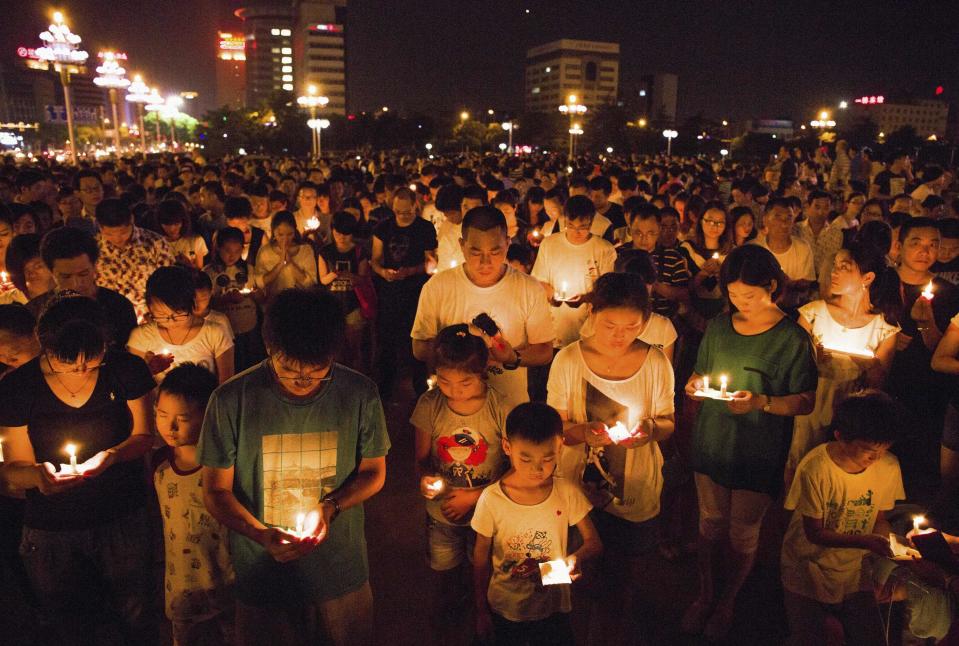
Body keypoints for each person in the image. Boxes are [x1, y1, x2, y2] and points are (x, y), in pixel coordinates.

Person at [198, 288, 390, 646]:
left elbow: (374, 472)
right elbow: (215, 491)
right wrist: (260, 534)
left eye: (317, 371)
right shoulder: (231, 400)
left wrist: (330, 506)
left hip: (339, 573)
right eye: (288, 369)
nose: (302, 380)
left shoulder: (359, 393)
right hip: (262, 579)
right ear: (269, 346)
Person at [0, 295, 159, 645]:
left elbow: (145, 436)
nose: (81, 371)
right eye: (66, 363)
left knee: (135, 613)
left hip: (121, 513)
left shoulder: (125, 369)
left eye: (92, 363)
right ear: (44, 346)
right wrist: (38, 476)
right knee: (70, 622)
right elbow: (13, 468)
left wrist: (113, 456)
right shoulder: (17, 388)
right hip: (52, 528)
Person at [683, 245, 817, 639]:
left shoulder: (792, 338)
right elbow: (700, 372)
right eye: (733, 295)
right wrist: (694, 385)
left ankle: (729, 601)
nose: (741, 303)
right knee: (709, 523)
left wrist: (763, 402)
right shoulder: (720, 327)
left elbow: (805, 400)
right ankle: (705, 593)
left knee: (742, 530)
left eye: (749, 295)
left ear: (772, 286)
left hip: (758, 448)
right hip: (712, 440)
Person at [547, 272, 675, 644]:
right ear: (592, 313)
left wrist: (650, 431)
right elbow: (555, 427)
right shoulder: (569, 360)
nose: (619, 335)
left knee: (621, 583)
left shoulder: (655, 363)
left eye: (632, 326)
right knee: (571, 579)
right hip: (575, 493)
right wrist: (585, 432)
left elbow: (667, 421)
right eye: (609, 325)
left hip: (634, 492)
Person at [471, 402, 602, 646]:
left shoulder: (566, 492)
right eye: (526, 458)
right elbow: (480, 557)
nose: (537, 468)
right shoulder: (492, 498)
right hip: (504, 606)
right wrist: (480, 610)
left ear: (560, 446)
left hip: (552, 607)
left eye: (548, 458)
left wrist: (576, 558)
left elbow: (594, 542)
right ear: (507, 447)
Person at [781, 390, 904, 646]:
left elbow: (878, 517)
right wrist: (867, 542)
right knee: (811, 637)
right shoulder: (816, 467)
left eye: (883, 450)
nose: (876, 458)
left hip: (854, 569)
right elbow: (814, 533)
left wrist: (887, 541)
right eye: (868, 450)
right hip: (807, 564)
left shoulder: (888, 466)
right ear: (840, 436)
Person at [411, 325, 510, 641]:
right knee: (443, 574)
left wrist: (473, 497)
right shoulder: (430, 405)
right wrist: (427, 479)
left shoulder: (500, 408)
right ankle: (444, 624)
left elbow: (513, 468)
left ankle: (479, 619)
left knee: (480, 571)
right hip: (442, 514)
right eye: (444, 381)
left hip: (486, 515)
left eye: (464, 382)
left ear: (482, 371)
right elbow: (421, 459)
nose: (454, 390)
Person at [412, 206, 554, 407]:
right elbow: (419, 346)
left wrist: (512, 357)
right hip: (453, 407)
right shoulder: (437, 287)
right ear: (462, 245)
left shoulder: (529, 288)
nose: (485, 262)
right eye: (475, 252)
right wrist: (462, 356)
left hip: (508, 406)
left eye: (495, 252)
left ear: (507, 244)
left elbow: (545, 350)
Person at [788, 243, 901, 481]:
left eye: (844, 267)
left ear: (867, 277)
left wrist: (870, 366)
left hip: (851, 413)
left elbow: (877, 386)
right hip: (810, 408)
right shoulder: (813, 313)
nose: (834, 272)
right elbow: (790, 364)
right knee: (801, 468)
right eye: (835, 266)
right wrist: (811, 360)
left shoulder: (884, 328)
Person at [153, 364, 235, 646]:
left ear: (208, 415)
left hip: (227, 576)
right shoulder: (159, 465)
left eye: (183, 418)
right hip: (182, 581)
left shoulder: (224, 466)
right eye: (162, 415)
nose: (170, 426)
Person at [886, 217, 958, 496]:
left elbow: (942, 352)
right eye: (916, 243)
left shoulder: (949, 293)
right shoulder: (881, 283)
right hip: (886, 383)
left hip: (927, 391)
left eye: (933, 245)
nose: (924, 251)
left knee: (920, 466)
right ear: (899, 246)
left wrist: (926, 323)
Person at [372, 188, 438, 399]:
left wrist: (412, 270)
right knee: (387, 342)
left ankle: (421, 388)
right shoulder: (383, 228)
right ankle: (385, 389)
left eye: (407, 211)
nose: (403, 216)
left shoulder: (425, 228)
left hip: (416, 292)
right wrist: (383, 272)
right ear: (393, 209)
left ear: (414, 207)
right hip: (390, 292)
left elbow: (431, 261)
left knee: (417, 339)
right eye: (399, 212)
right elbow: (375, 259)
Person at [531, 195, 617, 349]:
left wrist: (585, 298)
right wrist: (549, 293)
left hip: (589, 334)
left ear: (591, 222)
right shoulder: (549, 244)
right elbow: (537, 280)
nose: (576, 232)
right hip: (553, 332)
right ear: (564, 220)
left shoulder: (604, 249)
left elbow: (609, 292)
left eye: (583, 227)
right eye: (571, 226)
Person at [32, 226, 137, 348]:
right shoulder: (36, 312)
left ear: (94, 267)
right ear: (51, 273)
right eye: (66, 276)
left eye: (83, 274)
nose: (76, 283)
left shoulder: (118, 307)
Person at [127, 266, 234, 383]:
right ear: (149, 308)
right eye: (161, 315)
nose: (171, 321)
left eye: (178, 313)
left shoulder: (215, 333)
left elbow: (226, 382)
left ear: (191, 302)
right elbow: (133, 386)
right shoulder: (141, 337)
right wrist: (148, 369)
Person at [95, 197, 176, 319]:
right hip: (111, 318)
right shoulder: (93, 248)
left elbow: (168, 282)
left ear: (132, 219)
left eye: (123, 232)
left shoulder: (155, 243)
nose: (117, 239)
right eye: (109, 234)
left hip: (150, 317)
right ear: (100, 227)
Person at [617, 198, 690, 320]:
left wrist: (654, 284)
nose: (644, 239)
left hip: (662, 322)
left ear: (659, 230)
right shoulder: (619, 255)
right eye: (638, 233)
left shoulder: (672, 257)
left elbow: (684, 294)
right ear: (629, 229)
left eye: (650, 233)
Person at [317, 211, 370, 372]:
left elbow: (362, 278)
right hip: (331, 307)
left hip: (354, 305)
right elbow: (323, 280)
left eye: (346, 235)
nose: (341, 237)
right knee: (335, 349)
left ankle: (357, 378)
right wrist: (334, 274)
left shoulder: (359, 252)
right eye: (338, 233)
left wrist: (349, 276)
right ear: (332, 230)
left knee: (354, 348)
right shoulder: (326, 252)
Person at [204, 227, 262, 372]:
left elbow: (261, 296)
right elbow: (204, 304)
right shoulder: (209, 272)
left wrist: (250, 295)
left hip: (248, 326)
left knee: (251, 366)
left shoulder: (248, 269)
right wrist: (225, 299)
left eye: (237, 251)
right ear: (218, 248)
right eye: (227, 250)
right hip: (224, 331)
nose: (232, 255)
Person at [680, 201, 733, 325]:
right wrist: (703, 273)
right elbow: (683, 288)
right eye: (709, 220)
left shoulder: (731, 252)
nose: (714, 226)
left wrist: (722, 275)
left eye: (720, 222)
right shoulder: (687, 249)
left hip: (723, 314)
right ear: (700, 221)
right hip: (692, 313)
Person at [253, 211, 318, 301]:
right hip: (273, 303)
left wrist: (290, 262)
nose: (285, 239)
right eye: (280, 235)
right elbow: (259, 282)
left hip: (300, 302)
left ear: (294, 231)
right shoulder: (265, 252)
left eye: (289, 234)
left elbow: (311, 283)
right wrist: (280, 265)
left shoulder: (305, 250)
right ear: (273, 232)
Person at [158, 199, 208, 270]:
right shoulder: (156, 244)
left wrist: (188, 264)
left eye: (176, 223)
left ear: (183, 221)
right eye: (167, 224)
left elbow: (199, 272)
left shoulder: (196, 240)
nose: (172, 228)